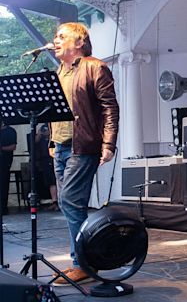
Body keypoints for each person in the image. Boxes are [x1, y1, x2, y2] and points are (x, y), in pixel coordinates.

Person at [50, 22, 119, 286]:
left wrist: (109, 144)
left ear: (79, 42)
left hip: (83, 145)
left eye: (62, 36)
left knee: (69, 201)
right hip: (62, 146)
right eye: (55, 36)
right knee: (71, 206)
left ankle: (84, 263)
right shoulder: (60, 71)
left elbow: (110, 108)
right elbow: (56, 107)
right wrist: (53, 140)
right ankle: (86, 259)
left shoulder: (95, 66)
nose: (56, 40)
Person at [0, 121, 17, 215]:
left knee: (3, 184)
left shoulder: (10, 131)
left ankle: (3, 207)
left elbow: (13, 146)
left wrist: (2, 148)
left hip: (5, 162)